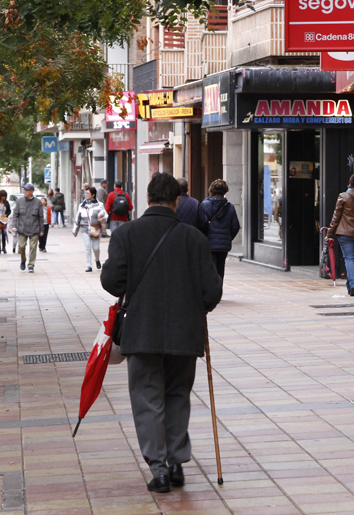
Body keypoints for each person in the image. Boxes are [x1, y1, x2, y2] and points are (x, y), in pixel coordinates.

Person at [100, 172, 222, 494]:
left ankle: (159, 470)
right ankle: (178, 462)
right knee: (177, 395)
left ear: (148, 199)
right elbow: (212, 292)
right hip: (185, 333)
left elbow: (112, 283)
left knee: (147, 398)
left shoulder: (126, 234)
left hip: (142, 333)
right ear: (176, 200)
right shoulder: (194, 238)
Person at [198, 179, 240, 280]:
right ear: (225, 191)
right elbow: (235, 226)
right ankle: (218, 288)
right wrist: (227, 237)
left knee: (209, 268)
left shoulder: (204, 205)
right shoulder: (230, 207)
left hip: (209, 243)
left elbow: (201, 223)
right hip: (223, 246)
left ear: (211, 190)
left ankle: (211, 290)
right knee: (220, 268)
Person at [9, 183, 46, 272]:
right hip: (22, 228)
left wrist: (42, 229)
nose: (25, 191)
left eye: (27, 190)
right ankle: (23, 260)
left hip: (34, 228)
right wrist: (14, 226)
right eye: (24, 190)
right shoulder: (19, 201)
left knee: (33, 247)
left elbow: (41, 217)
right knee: (21, 246)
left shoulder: (37, 202)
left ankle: (31, 265)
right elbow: (15, 215)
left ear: (31, 191)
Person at [72, 186, 108, 272]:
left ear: (93, 195)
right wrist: (75, 230)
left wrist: (102, 219)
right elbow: (78, 218)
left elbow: (106, 215)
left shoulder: (99, 205)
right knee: (87, 246)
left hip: (94, 228)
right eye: (85, 193)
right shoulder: (82, 205)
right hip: (84, 228)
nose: (86, 194)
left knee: (96, 248)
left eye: (88, 193)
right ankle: (89, 265)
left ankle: (97, 260)